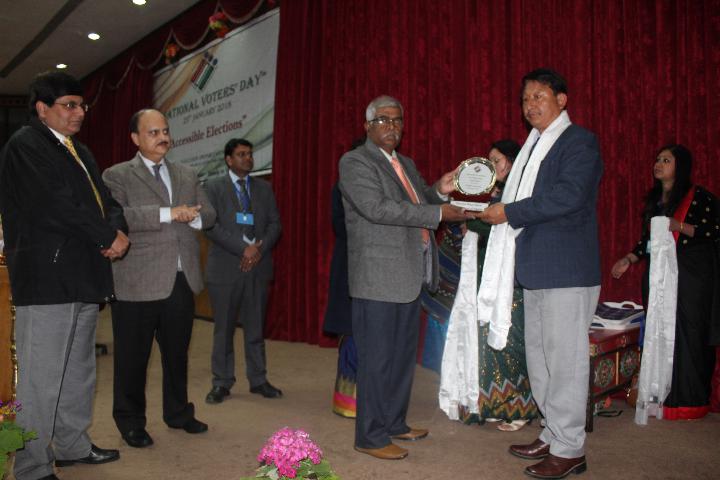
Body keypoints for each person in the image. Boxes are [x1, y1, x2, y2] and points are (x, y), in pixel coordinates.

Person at [0, 71, 128, 480]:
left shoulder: (80, 150)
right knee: (40, 378)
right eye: (69, 105)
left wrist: (116, 230)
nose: (79, 112)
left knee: (78, 370)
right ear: (42, 109)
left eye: (82, 105)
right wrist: (105, 235)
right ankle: (32, 465)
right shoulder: (26, 145)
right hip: (47, 278)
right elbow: (53, 205)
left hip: (84, 273)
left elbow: (106, 200)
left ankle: (72, 445)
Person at [479, 68, 603, 479]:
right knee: (540, 360)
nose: (530, 105)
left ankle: (570, 449)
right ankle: (553, 432)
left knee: (564, 363)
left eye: (539, 96)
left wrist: (509, 212)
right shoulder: (532, 146)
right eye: (525, 98)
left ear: (562, 100)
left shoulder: (579, 142)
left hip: (566, 269)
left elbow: (568, 196)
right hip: (535, 268)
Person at [338, 95, 474, 460]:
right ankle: (370, 436)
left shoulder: (405, 163)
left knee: (400, 359)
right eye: (383, 120)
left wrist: (438, 190)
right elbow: (377, 208)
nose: (392, 126)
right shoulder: (355, 161)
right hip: (378, 277)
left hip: (410, 273)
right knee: (377, 360)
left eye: (397, 120)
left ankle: (394, 422)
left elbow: (417, 203)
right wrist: (439, 213)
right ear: (367, 126)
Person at [102, 109, 216, 448]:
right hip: (136, 280)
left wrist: (193, 217)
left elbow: (210, 213)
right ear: (135, 138)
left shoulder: (187, 173)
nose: (163, 137)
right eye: (153, 132)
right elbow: (118, 216)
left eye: (165, 131)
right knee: (132, 358)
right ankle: (130, 421)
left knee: (177, 354)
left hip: (181, 279)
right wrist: (169, 213)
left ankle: (178, 412)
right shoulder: (116, 175)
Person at [611, 144, 719, 420]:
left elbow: (712, 230)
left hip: (692, 276)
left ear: (679, 166)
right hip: (659, 276)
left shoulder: (699, 197)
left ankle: (690, 401)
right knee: (659, 332)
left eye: (666, 160)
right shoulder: (656, 200)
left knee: (689, 333)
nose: (658, 164)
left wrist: (678, 225)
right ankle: (662, 398)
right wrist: (628, 259)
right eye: (657, 159)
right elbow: (646, 241)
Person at [437, 139, 539, 431]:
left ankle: (521, 407)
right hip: (483, 273)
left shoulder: (522, 191)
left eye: (497, 160)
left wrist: (473, 219)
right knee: (485, 338)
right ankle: (494, 404)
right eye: (489, 161)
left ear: (512, 162)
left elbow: (504, 224)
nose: (492, 166)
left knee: (510, 337)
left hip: (511, 277)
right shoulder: (490, 192)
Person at [204, 138, 282, 404]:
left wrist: (258, 248)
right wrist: (243, 249)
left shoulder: (264, 188)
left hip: (258, 268)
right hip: (226, 269)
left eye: (249, 154)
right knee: (223, 330)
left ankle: (258, 379)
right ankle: (222, 382)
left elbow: (275, 224)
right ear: (228, 160)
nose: (247, 158)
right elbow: (210, 226)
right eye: (241, 154)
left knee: (255, 328)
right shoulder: (213, 187)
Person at [323, 137, 366, 419]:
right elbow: (342, 226)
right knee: (352, 332)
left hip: (378, 269)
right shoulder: (342, 187)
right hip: (351, 265)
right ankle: (347, 402)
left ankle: (373, 397)